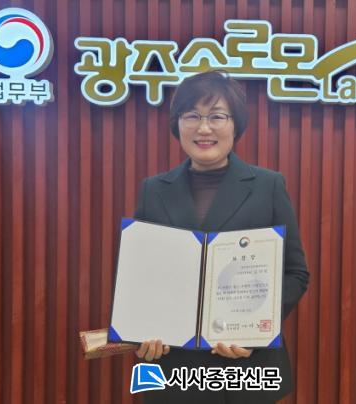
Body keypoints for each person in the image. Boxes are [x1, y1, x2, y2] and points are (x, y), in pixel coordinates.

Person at [132, 70, 309, 403]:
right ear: (177, 124)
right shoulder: (153, 190)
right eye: (191, 116)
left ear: (235, 124)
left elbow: (296, 273)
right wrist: (140, 329)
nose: (204, 128)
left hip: (245, 364)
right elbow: (139, 276)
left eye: (216, 116)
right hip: (175, 368)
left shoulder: (268, 186)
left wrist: (256, 329)